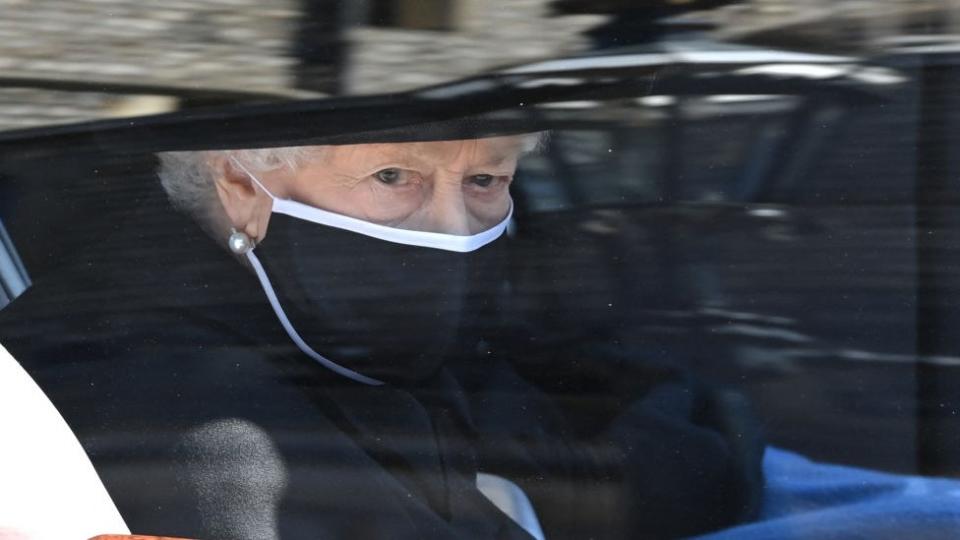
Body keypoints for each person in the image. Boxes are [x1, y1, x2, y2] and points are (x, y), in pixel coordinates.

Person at [0, 131, 764, 539]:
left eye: (485, 181)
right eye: (394, 176)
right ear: (239, 184)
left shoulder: (320, 318)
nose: (453, 231)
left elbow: (649, 430)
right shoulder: (167, 411)